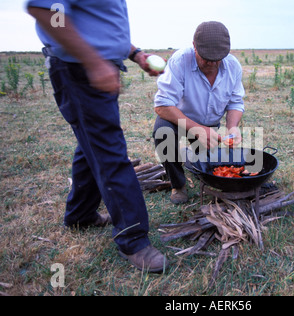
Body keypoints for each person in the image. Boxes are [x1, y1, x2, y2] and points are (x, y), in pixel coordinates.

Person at [26, 0, 169, 273]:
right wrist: (92, 61)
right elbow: (46, 10)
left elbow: (98, 26)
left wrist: (136, 53)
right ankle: (133, 239)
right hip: (78, 70)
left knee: (91, 143)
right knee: (110, 153)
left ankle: (80, 215)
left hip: (92, 67)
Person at [153, 21, 246, 204]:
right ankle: (177, 184)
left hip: (210, 123)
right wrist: (196, 129)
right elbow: (162, 105)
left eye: (216, 58)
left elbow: (235, 102)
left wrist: (232, 127)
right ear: (194, 46)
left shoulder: (233, 66)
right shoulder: (180, 61)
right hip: (179, 119)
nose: (211, 62)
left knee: (205, 165)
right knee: (163, 134)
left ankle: (194, 160)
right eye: (205, 57)